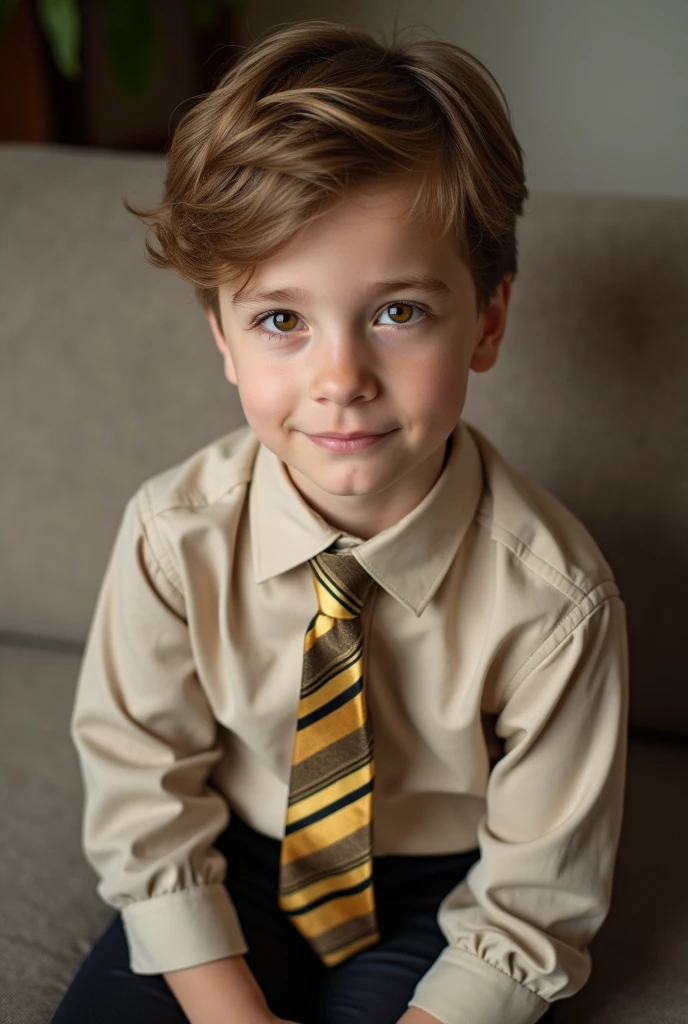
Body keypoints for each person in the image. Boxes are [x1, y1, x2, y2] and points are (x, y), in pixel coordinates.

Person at [49, 17, 629, 1024]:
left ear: (486, 319)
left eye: (397, 312)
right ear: (222, 338)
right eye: (281, 319)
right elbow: (141, 788)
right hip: (230, 856)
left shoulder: (558, 600)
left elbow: (537, 888)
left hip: (439, 889)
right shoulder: (172, 536)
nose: (341, 380)